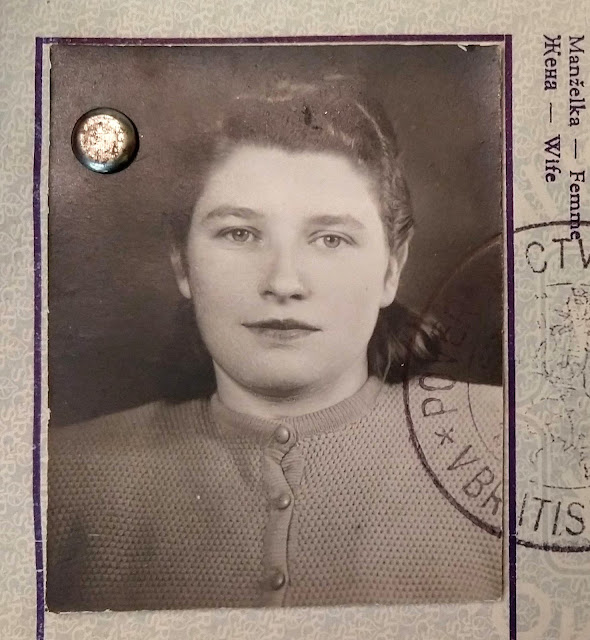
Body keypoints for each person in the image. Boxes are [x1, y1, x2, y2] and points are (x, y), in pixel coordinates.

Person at [47, 79, 503, 611]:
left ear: (391, 268)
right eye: (239, 234)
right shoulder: (62, 477)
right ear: (182, 262)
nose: (284, 282)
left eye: (330, 239)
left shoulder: (508, 445)